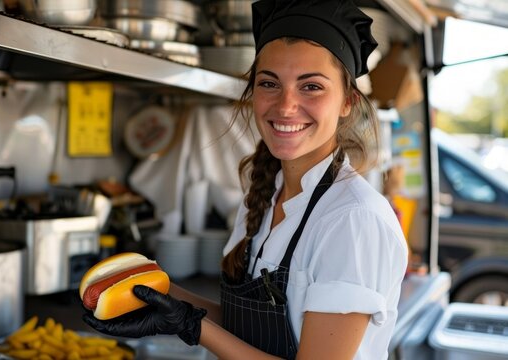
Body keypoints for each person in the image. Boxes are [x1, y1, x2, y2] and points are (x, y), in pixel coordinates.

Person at [83, 0, 409, 358]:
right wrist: (158, 294)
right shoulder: (264, 196)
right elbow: (250, 331)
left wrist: (194, 327)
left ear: (347, 101)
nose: (285, 106)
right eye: (269, 83)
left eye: (311, 87)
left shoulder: (352, 219)